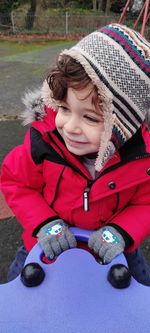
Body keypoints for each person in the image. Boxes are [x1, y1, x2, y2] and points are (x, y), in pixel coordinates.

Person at [1, 23, 150, 284]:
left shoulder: (141, 159)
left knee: (136, 295)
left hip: (113, 251)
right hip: (46, 245)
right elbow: (16, 182)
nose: (69, 127)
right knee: (20, 290)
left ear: (124, 125)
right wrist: (43, 223)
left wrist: (122, 231)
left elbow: (146, 203)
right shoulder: (44, 142)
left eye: (90, 118)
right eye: (64, 108)